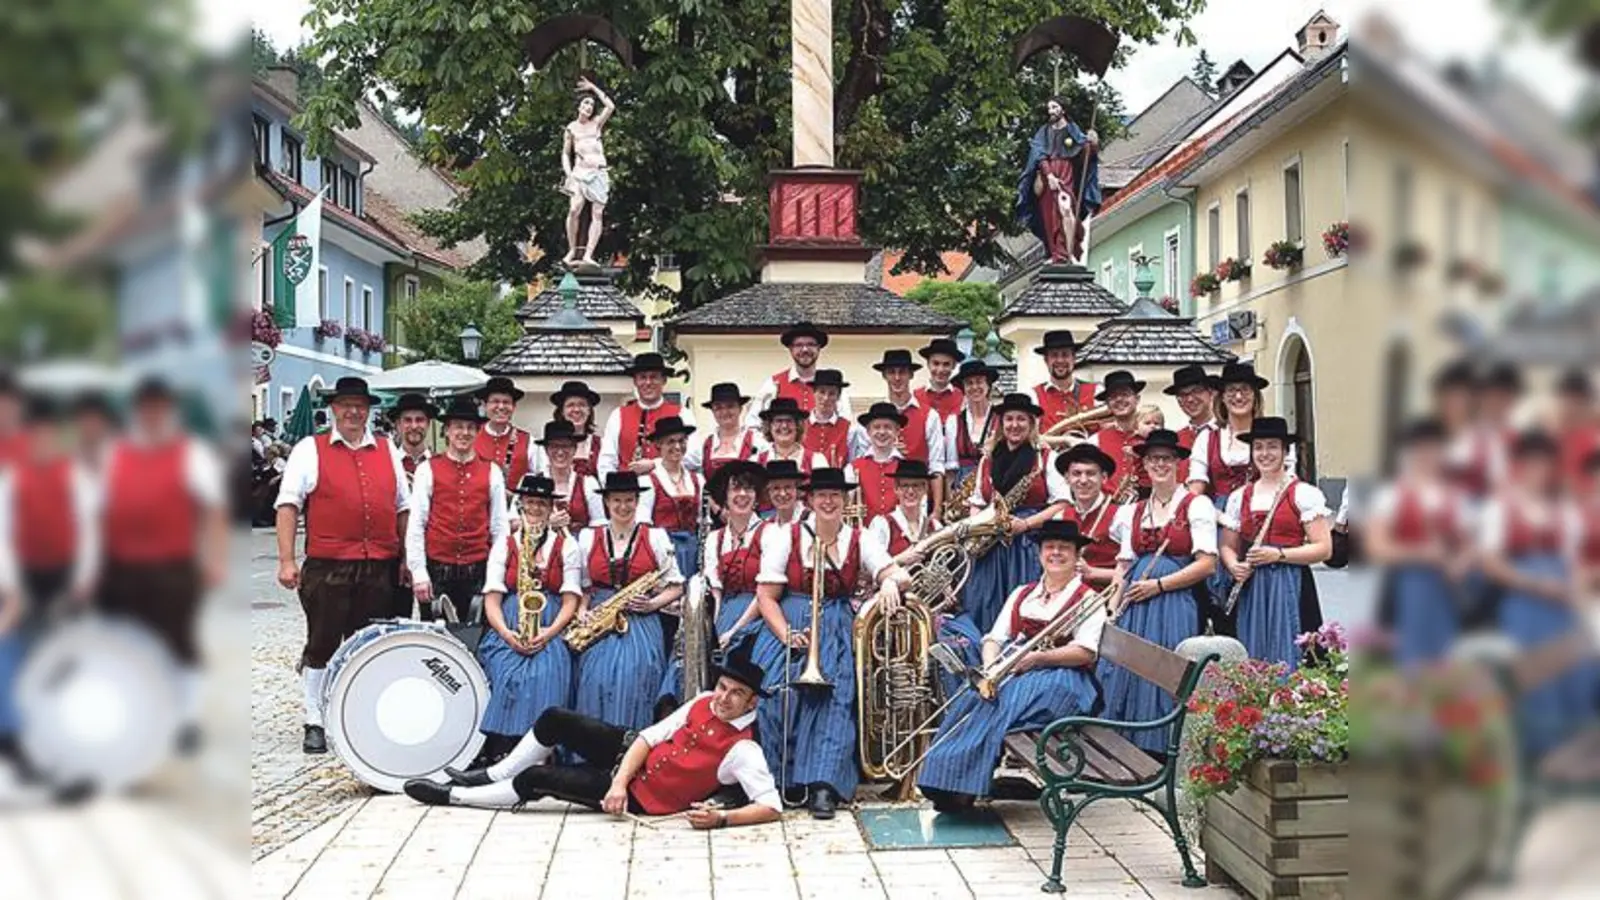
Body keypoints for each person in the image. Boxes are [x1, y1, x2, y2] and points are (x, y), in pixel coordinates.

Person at [405, 642, 782, 831]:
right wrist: (619, 779)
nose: (723, 698)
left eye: (736, 694)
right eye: (722, 686)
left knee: (539, 779)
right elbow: (648, 739)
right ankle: (491, 774)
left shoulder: (744, 749)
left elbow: (772, 807)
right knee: (555, 718)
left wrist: (722, 820)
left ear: (751, 702)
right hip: (627, 754)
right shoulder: (702, 700)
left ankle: (454, 796)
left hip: (642, 798)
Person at [750, 467, 912, 818]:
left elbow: (899, 573)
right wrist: (786, 636)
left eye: (835, 495)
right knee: (775, 693)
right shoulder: (786, 537)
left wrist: (888, 583)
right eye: (821, 495)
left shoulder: (860, 537)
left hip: (836, 624)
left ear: (845, 500)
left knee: (837, 697)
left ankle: (823, 784)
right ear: (809, 499)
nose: (828, 501)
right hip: (789, 621)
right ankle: (783, 781)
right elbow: (765, 596)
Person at [916, 519, 1105, 812]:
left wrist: (1038, 658)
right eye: (1049, 547)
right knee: (974, 696)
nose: (1056, 553)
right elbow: (993, 638)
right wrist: (991, 669)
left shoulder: (1088, 599)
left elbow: (1085, 652)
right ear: (1040, 553)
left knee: (1005, 702)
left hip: (1065, 680)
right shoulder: (1022, 593)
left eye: (1064, 548)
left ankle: (962, 784)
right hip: (1015, 670)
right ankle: (944, 778)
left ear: (1077, 556)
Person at [276, 376, 410, 754]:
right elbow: (288, 505)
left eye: (360, 406)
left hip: (379, 565)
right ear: (333, 409)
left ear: (369, 410)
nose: (353, 412)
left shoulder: (388, 450)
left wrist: (405, 559)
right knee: (322, 641)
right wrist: (286, 560)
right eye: (346, 405)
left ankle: (353, 713)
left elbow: (402, 508)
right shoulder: (310, 448)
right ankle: (314, 717)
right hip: (328, 564)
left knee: (366, 643)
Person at [102, 377, 227, 752]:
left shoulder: (190, 453)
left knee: (179, 642)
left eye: (160, 407)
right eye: (147, 407)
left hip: (174, 564)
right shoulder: (115, 453)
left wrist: (215, 558)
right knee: (125, 643)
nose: (153, 414)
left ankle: (185, 719)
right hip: (123, 566)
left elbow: (213, 511)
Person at [1101, 430, 1217, 753]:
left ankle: (1165, 750)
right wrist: (1112, 608)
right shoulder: (1132, 511)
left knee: (1167, 671)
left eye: (1166, 458)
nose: (1159, 464)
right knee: (1130, 669)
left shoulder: (1197, 505)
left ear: (1178, 463)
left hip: (1175, 601)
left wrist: (1160, 585)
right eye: (1153, 459)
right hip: (1136, 602)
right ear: (1145, 465)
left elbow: (1207, 564)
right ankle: (1129, 748)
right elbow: (1123, 566)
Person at [1477, 431, 1591, 758]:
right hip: (1523, 603)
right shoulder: (1500, 508)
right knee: (1535, 673)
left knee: (1576, 671)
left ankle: (1576, 751)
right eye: (1532, 463)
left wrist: (1575, 596)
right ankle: (1539, 753)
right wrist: (1535, 584)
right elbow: (1491, 563)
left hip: (1562, 602)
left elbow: (1575, 562)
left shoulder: (1564, 510)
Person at [657, 461, 786, 712]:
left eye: (748, 489)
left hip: (758, 615)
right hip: (725, 610)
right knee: (684, 660)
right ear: (724, 498)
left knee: (742, 657)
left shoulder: (771, 533)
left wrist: (733, 631)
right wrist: (712, 631)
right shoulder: (716, 538)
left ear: (756, 496)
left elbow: (764, 594)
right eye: (735, 489)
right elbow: (715, 592)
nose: (742, 495)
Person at [475, 475, 583, 765]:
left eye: (542, 504)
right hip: (509, 620)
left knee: (549, 670)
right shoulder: (505, 544)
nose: (535, 508)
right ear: (521, 504)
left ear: (551, 509)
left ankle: (543, 750)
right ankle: (503, 746)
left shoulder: (567, 546)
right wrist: (507, 634)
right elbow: (492, 599)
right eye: (531, 502)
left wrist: (549, 633)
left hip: (552, 622)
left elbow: (571, 599)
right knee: (506, 671)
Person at [574, 472, 686, 732]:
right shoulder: (589, 538)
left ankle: (631, 745)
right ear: (606, 503)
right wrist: (581, 611)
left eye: (629, 500)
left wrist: (652, 604)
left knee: (637, 675)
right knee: (595, 678)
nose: (623, 507)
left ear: (638, 502)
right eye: (617, 501)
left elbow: (676, 586)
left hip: (641, 619)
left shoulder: (656, 536)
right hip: (600, 617)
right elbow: (584, 587)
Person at [1218, 417, 1331, 670]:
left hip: (1290, 582)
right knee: (1252, 648)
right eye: (1258, 446)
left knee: (1293, 645)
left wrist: (1279, 555)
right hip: (1253, 586)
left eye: (1272, 446)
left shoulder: (1303, 493)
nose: (1264, 453)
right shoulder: (1240, 497)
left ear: (1284, 451)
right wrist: (1234, 565)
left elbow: (1324, 548)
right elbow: (1227, 545)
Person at [1367, 419, 1472, 665]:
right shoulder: (1392, 495)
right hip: (1409, 582)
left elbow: (1470, 543)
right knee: (1413, 653)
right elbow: (1377, 547)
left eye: (1434, 449)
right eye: (1421, 450)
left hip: (1448, 584)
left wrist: (1461, 563)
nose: (1428, 456)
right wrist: (1421, 554)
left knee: (1448, 653)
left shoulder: (1455, 496)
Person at [405, 398, 511, 624]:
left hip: (477, 570)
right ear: (447, 430)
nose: (464, 433)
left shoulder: (492, 471)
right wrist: (419, 573)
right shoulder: (427, 469)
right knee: (436, 641)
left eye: (471, 428)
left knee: (476, 637)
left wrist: (494, 577)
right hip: (437, 571)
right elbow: (416, 524)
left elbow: (500, 529)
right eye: (458, 427)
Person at [962, 393, 1054, 632]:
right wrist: (976, 530)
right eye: (1009, 419)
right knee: (985, 603)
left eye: (1021, 419)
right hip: (990, 542)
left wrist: (1025, 524)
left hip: (1026, 544)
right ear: (1001, 424)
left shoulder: (1044, 457)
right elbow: (978, 501)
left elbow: (1062, 504)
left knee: (1023, 604)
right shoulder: (988, 459)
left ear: (1032, 423)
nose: (1014, 425)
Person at [4, 396, 97, 612]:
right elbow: (3, 532)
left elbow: (89, 530)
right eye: (37, 433)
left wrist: (83, 579)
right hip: (26, 572)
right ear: (28, 436)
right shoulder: (12, 478)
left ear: (56, 435)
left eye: (48, 433)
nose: (42, 439)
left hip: (66, 572)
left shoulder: (76, 475)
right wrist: (10, 585)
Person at [1018, 95, 1101, 265]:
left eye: (1054, 107)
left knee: (1066, 210)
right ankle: (1055, 252)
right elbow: (1038, 155)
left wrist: (1091, 144)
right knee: (1050, 215)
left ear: (1063, 109)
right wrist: (1049, 175)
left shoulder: (1072, 129)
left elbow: (1083, 150)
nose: (1051, 111)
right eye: (1049, 108)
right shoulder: (1044, 132)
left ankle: (1068, 252)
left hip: (1066, 172)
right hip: (1048, 175)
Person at [872, 349, 947, 513]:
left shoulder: (929, 416)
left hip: (917, 499)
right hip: (881, 498)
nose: (897, 378)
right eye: (891, 372)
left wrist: (937, 510)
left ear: (911, 375)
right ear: (884, 376)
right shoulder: (875, 418)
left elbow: (936, 465)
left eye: (902, 372)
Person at [599, 353, 692, 478]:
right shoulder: (618, 415)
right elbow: (607, 460)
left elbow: (694, 458)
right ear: (635, 381)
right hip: (628, 491)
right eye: (642, 377)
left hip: (668, 490)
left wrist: (655, 464)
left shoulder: (683, 413)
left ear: (664, 380)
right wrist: (613, 489)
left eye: (654, 377)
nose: (648, 382)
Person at [745, 323, 855, 426]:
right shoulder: (774, 384)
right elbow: (752, 424)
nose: (805, 349)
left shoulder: (833, 386)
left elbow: (846, 424)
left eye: (811, 344)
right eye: (799, 345)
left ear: (818, 348)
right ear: (791, 349)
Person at [1046, 445, 1121, 587]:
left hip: (1107, 599)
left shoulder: (1121, 515)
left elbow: (1133, 572)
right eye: (1076, 473)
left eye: (1091, 473)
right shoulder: (1060, 517)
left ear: (1104, 478)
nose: (1083, 480)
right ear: (1067, 478)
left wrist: (1093, 573)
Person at [561, 75, 616, 267]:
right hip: (579, 173)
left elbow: (610, 106)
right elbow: (566, 154)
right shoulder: (572, 129)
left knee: (598, 214)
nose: (589, 107)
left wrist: (593, 87)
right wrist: (568, 174)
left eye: (591, 104)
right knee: (574, 209)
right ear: (579, 106)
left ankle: (588, 254)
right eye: (586, 103)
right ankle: (572, 249)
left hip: (598, 172)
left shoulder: (596, 125)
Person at [389, 392, 437, 616]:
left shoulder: (439, 465)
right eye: (407, 421)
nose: (413, 426)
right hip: (392, 554)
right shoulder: (387, 464)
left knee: (433, 619)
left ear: (428, 424)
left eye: (419, 420)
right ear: (398, 425)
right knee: (397, 619)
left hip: (432, 555)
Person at [642, 416, 704, 580]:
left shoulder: (698, 480)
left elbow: (702, 521)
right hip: (664, 551)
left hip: (693, 549)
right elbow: (644, 526)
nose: (677, 446)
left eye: (682, 441)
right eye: (670, 442)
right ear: (658, 445)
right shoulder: (648, 481)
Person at [942, 359, 1000, 499]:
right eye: (969, 383)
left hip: (997, 487)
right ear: (963, 388)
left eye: (979, 381)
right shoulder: (953, 422)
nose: (975, 387)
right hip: (963, 493)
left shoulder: (1002, 418)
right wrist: (950, 504)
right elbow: (951, 471)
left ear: (988, 385)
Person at [1087, 370, 1149, 497]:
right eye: (1113, 396)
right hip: (1107, 510)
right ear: (1108, 405)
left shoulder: (1151, 438)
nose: (1119, 399)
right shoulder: (1094, 442)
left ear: (1137, 399)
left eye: (1125, 394)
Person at [536, 419, 603, 533]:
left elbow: (599, 524)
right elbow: (513, 523)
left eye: (566, 446)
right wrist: (546, 523)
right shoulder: (532, 481)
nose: (560, 452)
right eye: (554, 446)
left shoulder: (589, 483)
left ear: (575, 449)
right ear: (546, 450)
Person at [689, 383, 766, 480]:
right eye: (718, 407)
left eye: (730, 406)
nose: (725, 412)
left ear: (740, 409)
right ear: (713, 411)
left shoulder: (758, 442)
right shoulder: (703, 444)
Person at [848, 402, 909, 521]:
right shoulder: (853, 468)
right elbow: (845, 502)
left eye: (887, 427)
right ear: (868, 432)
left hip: (898, 535)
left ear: (897, 431)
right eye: (876, 427)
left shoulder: (907, 467)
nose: (882, 432)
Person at [531, 381, 604, 479]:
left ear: (589, 410)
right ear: (562, 411)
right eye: (570, 405)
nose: (577, 410)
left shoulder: (601, 445)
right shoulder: (546, 445)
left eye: (582, 405)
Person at [474, 377, 536, 490]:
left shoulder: (528, 441)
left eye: (506, 402)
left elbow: (539, 476)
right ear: (484, 405)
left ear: (514, 407)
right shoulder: (471, 437)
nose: (501, 407)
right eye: (495, 401)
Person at [1030, 331, 1098, 435]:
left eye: (1065, 355)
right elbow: (1033, 438)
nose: (1060, 360)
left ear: (1074, 358)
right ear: (1046, 360)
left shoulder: (1096, 392)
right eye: (1054, 355)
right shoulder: (1034, 396)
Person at [754, 398, 828, 492]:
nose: (784, 426)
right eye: (779, 421)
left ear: (798, 426)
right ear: (769, 426)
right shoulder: (757, 462)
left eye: (789, 421)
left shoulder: (816, 461)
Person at [802, 370, 865, 469]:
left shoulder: (849, 429)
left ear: (838, 396)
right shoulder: (801, 425)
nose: (826, 398)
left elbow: (851, 464)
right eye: (822, 392)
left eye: (831, 393)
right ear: (813, 392)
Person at [1165, 365, 1216, 485]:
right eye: (1183, 395)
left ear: (1210, 393)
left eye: (1196, 391)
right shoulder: (1175, 440)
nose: (1190, 399)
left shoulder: (1225, 433)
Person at [1552, 368, 1598, 495]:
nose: (1571, 407)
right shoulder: (1555, 437)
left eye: (1578, 401)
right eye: (1567, 400)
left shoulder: (1594, 438)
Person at [915, 338, 967, 423]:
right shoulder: (916, 397)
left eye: (946, 364)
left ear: (953, 366)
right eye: (936, 363)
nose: (940, 370)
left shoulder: (962, 398)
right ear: (928, 364)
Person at [762, 460, 807, 526]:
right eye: (776, 488)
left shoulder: (812, 520)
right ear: (768, 492)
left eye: (788, 487)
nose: (782, 493)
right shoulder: (767, 525)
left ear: (797, 489)